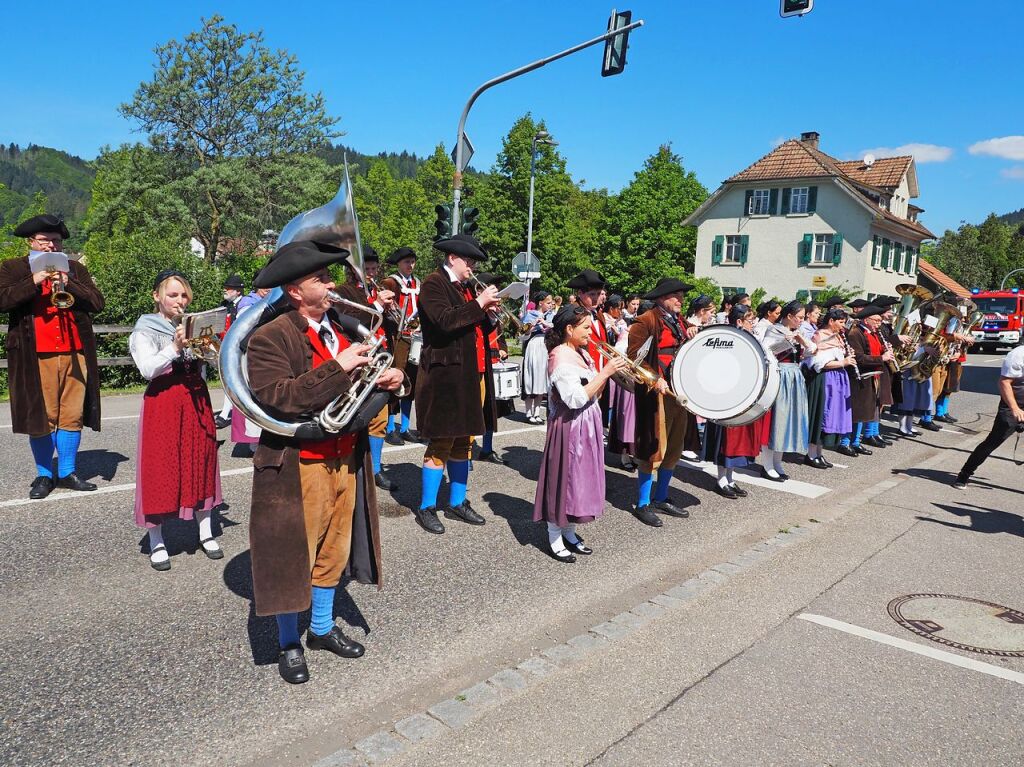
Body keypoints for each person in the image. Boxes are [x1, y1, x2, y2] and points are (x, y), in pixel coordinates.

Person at [244, 239, 405, 685]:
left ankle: (319, 629)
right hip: (299, 463)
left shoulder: (344, 326)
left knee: (333, 552)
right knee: (293, 556)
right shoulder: (268, 336)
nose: (332, 286)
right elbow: (279, 398)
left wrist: (393, 378)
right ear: (295, 291)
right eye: (321, 279)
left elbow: (370, 378)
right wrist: (338, 366)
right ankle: (288, 642)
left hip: (344, 456)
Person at [0, 214, 105, 499]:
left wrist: (68, 283)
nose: (51, 246)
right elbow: (2, 300)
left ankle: (67, 472)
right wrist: (35, 280)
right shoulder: (13, 268)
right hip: (35, 356)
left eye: (56, 241)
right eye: (45, 240)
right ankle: (45, 475)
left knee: (72, 415)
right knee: (41, 417)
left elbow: (97, 303)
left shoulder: (74, 269)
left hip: (75, 352)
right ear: (31, 242)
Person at [129, 270, 224, 570]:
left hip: (196, 398)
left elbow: (213, 363)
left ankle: (205, 532)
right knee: (160, 469)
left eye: (184, 295)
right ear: (157, 297)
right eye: (172, 295)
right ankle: (157, 540)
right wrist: (175, 347)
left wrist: (209, 349)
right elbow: (147, 369)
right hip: (164, 403)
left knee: (202, 462)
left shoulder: (192, 324)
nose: (179, 300)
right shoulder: (144, 328)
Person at [413, 234, 502, 535]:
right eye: (470, 261)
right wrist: (478, 303)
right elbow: (444, 322)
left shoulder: (465, 288)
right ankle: (427, 507)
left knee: (464, 441)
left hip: (469, 372)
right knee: (441, 440)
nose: (473, 267)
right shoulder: (432, 283)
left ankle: (457, 501)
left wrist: (488, 315)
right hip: (444, 376)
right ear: (453, 258)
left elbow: (473, 327)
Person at [533, 306, 626, 561]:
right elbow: (573, 399)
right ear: (569, 329)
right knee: (563, 482)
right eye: (585, 327)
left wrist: (608, 372)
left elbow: (593, 391)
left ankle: (570, 531)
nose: (590, 332)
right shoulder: (560, 356)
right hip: (569, 427)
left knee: (580, 482)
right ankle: (554, 534)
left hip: (587, 424)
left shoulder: (581, 353)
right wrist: (606, 372)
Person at [627, 277, 695, 526]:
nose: (681, 299)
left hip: (679, 393)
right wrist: (655, 378)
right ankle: (643, 503)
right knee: (652, 448)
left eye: (682, 295)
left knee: (674, 447)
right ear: (661, 298)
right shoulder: (644, 321)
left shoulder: (681, 322)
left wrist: (693, 335)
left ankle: (662, 496)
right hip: (655, 395)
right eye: (676, 295)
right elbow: (633, 358)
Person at [333, 246, 401, 491]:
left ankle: (376, 469)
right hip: (359, 360)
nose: (371, 273)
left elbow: (388, 325)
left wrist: (393, 314)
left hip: (381, 358)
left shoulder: (376, 289)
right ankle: (354, 467)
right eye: (366, 269)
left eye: (373, 268)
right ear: (353, 271)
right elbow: (346, 320)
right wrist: (377, 306)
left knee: (380, 419)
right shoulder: (342, 291)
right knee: (356, 417)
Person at [700, 304, 771, 498]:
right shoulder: (726, 338)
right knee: (726, 440)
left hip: (743, 395)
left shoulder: (748, 339)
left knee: (738, 439)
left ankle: (730, 479)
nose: (753, 324)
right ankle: (721, 480)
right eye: (750, 320)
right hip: (727, 397)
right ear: (739, 321)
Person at [953, 341, 1024, 488]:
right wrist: (1015, 408)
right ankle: (965, 473)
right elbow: (1004, 383)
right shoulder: (1018, 355)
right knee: (993, 441)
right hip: (1014, 404)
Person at [759, 301, 814, 480]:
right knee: (776, 419)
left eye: (803, 317)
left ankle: (778, 462)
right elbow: (765, 351)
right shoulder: (774, 330)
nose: (801, 321)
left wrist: (800, 340)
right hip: (780, 375)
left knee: (788, 421)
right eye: (799, 317)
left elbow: (812, 350)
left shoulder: (799, 332)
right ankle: (767, 465)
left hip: (795, 377)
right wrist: (786, 341)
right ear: (789, 316)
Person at [840, 306, 895, 456]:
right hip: (859, 377)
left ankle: (856, 442)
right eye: (876, 320)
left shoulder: (874, 333)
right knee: (855, 411)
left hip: (873, 376)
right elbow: (859, 357)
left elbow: (875, 350)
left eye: (880, 320)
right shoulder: (855, 333)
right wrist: (881, 358)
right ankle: (844, 442)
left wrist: (885, 351)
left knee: (865, 411)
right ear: (867, 320)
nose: (879, 322)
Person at [380, 247, 421, 445]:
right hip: (397, 337)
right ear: (398, 264)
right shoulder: (390, 282)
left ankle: (404, 427)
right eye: (407, 262)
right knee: (396, 380)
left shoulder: (417, 283)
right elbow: (386, 310)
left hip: (415, 336)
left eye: (412, 261)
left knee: (411, 380)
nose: (410, 265)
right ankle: (390, 427)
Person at [806, 308, 855, 467]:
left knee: (830, 416)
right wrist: (843, 362)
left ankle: (819, 453)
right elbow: (818, 363)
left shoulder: (838, 337)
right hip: (825, 379)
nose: (843, 325)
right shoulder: (820, 335)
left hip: (837, 379)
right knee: (822, 415)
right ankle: (811, 454)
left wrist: (846, 356)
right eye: (840, 322)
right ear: (831, 321)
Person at [473, 272, 511, 464]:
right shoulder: (474, 307)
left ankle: (486, 449)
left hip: (494, 359)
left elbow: (501, 336)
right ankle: (466, 452)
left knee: (491, 409)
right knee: (474, 410)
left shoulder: (496, 310)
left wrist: (503, 349)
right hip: (478, 361)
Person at [604, 295, 638, 470]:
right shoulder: (628, 331)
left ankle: (637, 454)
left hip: (642, 382)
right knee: (626, 418)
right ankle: (625, 455)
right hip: (628, 379)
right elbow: (617, 351)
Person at [214, 274, 245, 428]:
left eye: (229, 288)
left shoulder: (244, 305)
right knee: (227, 379)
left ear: (238, 291)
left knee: (231, 380)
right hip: (225, 346)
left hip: (239, 349)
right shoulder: (224, 305)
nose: (225, 291)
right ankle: (226, 413)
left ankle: (226, 414)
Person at [521, 291, 555, 424]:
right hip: (534, 345)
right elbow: (522, 335)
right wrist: (532, 326)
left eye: (551, 302)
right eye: (548, 302)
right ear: (541, 303)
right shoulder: (530, 314)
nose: (550, 305)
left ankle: (537, 413)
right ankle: (528, 413)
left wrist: (546, 323)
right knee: (532, 378)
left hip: (545, 346)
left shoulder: (551, 316)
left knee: (542, 378)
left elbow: (555, 328)